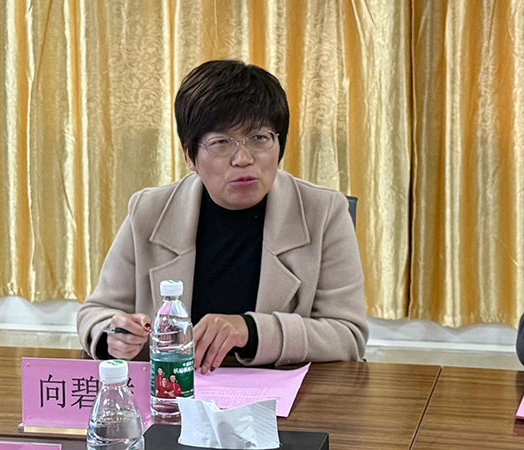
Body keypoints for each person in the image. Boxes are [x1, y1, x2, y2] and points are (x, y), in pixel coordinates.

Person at [77, 60, 369, 373]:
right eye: (221, 143)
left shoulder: (323, 211)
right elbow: (97, 313)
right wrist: (114, 335)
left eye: (259, 138)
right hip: (174, 392)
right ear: (190, 156)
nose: (243, 159)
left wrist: (252, 331)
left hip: (286, 395)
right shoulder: (149, 211)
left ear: (279, 144)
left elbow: (348, 335)